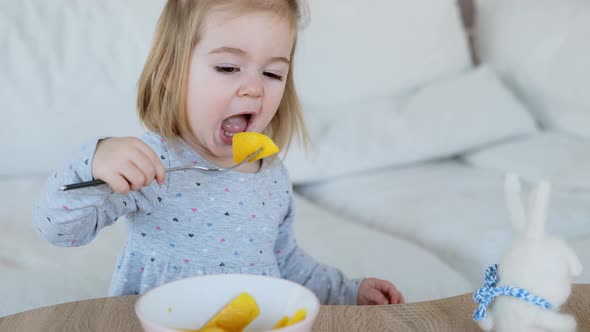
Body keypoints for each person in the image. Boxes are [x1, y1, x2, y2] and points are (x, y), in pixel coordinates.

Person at [33, 0, 404, 306]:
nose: (254, 89)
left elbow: (285, 262)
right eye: (228, 67)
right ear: (171, 72)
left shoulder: (271, 175)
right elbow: (60, 231)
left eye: (273, 74)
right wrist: (93, 160)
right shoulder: (151, 164)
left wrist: (346, 291)